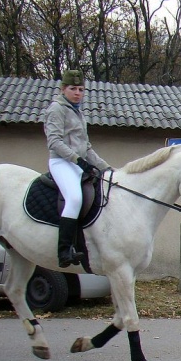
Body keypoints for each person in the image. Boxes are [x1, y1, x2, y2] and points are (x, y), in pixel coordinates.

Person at [44, 69, 109, 268]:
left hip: (76, 163)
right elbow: (54, 141)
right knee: (74, 198)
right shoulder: (57, 109)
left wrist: (106, 168)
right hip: (61, 162)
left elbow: (87, 147)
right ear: (63, 89)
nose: (78, 92)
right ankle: (64, 251)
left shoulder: (78, 112)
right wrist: (77, 160)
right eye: (73, 88)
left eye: (81, 89)